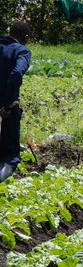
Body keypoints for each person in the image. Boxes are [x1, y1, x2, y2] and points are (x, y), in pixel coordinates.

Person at [0, 21, 32, 183]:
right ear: (25, 37)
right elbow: (16, 73)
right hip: (5, 102)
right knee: (10, 153)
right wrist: (6, 103)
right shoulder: (21, 51)